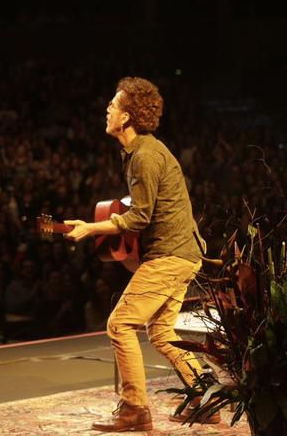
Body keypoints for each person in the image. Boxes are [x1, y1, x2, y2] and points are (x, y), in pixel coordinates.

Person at [63, 77, 213, 431]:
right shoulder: (142, 152)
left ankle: (134, 409)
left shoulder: (144, 156)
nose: (108, 109)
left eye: (114, 105)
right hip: (183, 253)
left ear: (127, 117)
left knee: (119, 324)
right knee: (161, 333)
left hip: (170, 255)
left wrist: (90, 227)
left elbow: (139, 217)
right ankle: (204, 395)